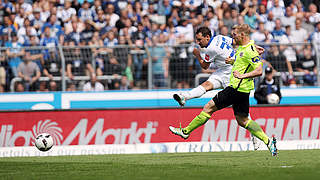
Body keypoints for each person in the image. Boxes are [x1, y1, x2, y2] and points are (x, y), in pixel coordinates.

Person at [169, 24, 278, 156]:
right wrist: (233, 61)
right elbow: (242, 57)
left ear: (242, 35)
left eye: (235, 34)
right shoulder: (243, 48)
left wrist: (242, 75)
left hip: (235, 87)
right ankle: (268, 142)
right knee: (243, 120)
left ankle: (185, 131)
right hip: (242, 89)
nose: (232, 37)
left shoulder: (244, 49)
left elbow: (259, 70)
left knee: (208, 108)